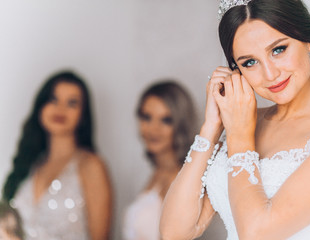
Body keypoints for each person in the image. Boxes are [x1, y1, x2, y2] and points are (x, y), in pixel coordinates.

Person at [160, 0, 310, 239]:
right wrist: (211, 127)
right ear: (237, 71)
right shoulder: (242, 122)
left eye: (278, 49)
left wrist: (240, 136)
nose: (270, 74)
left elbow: (256, 233)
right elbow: (174, 233)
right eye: (249, 62)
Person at [2, 71, 113, 240]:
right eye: (53, 99)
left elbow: (101, 237)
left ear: (82, 115)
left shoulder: (90, 166)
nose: (61, 109)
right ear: (41, 106)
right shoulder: (31, 165)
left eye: (72, 103)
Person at [123, 81, 197, 240]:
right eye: (147, 117)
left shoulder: (180, 179)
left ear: (181, 125)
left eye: (166, 120)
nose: (153, 129)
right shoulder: (153, 172)